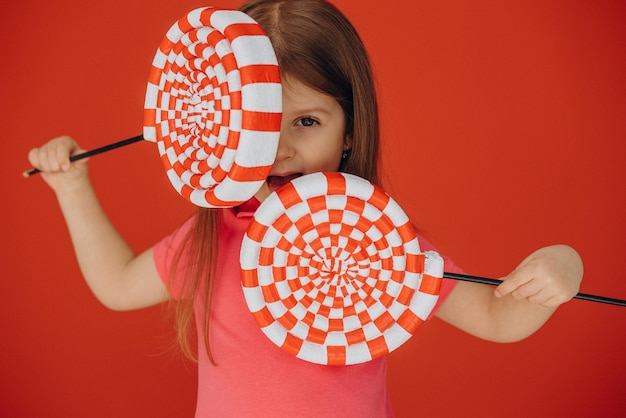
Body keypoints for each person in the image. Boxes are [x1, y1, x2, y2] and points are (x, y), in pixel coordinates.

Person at [26, 0, 583, 416]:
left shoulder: (372, 240)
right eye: (258, 124)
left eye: (307, 121)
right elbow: (118, 286)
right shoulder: (214, 237)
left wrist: (563, 265)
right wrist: (73, 190)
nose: (279, 148)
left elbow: (496, 317)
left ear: (349, 132)